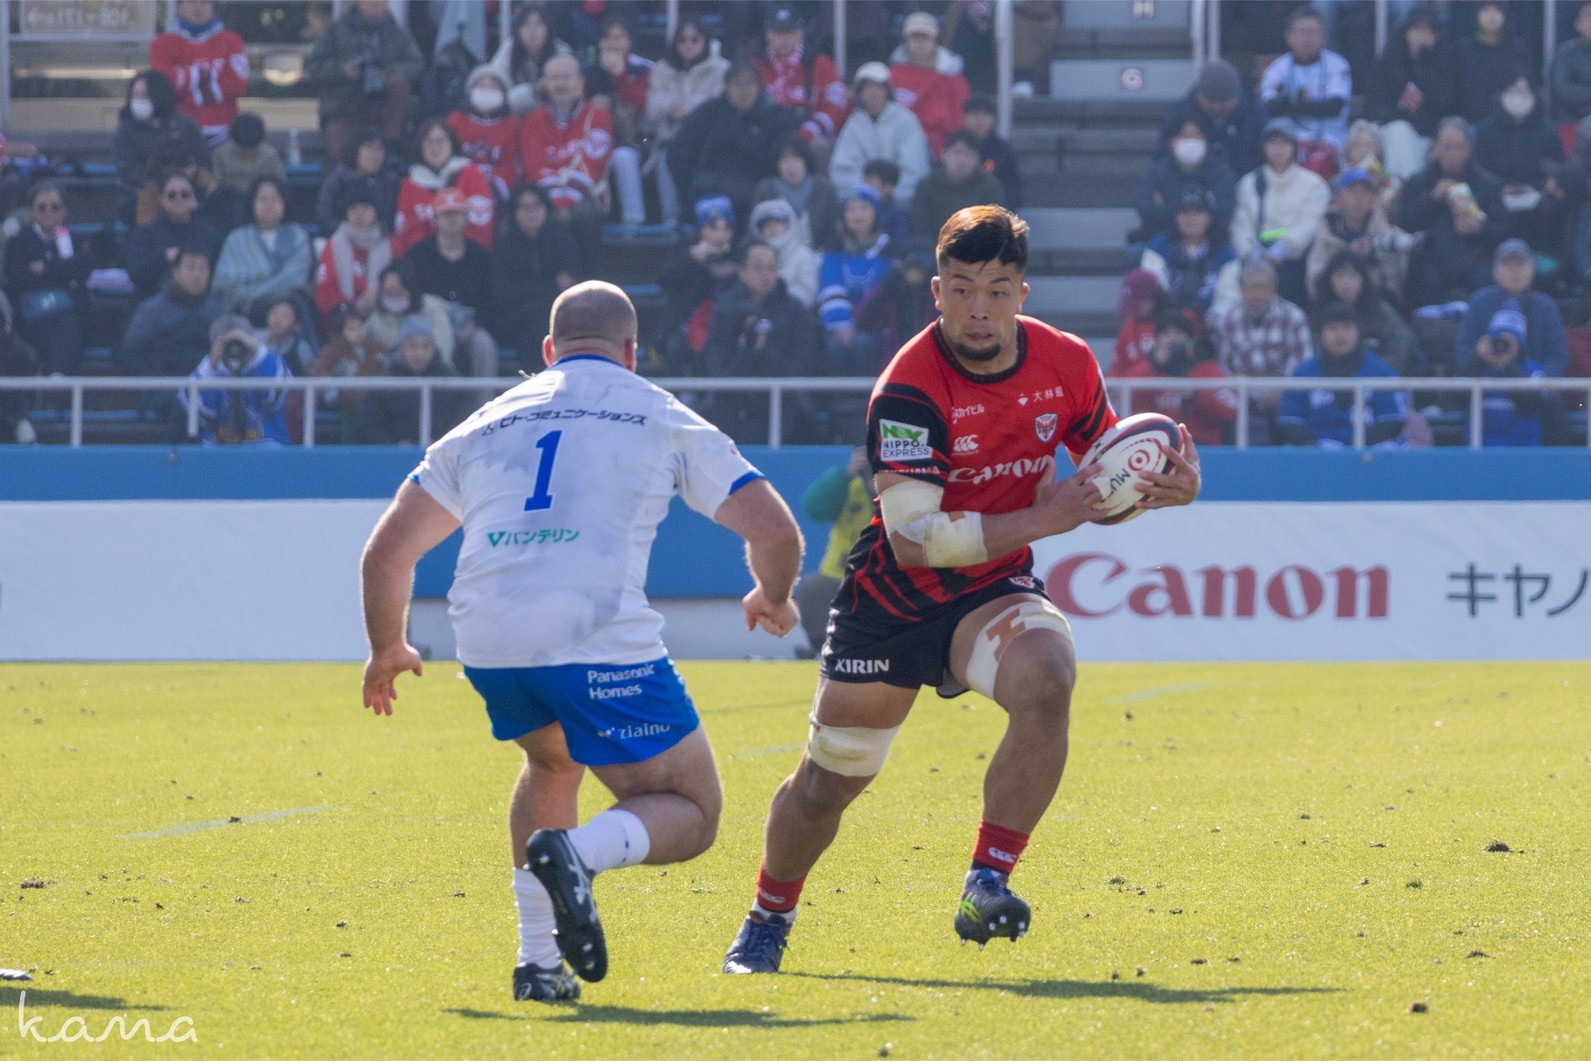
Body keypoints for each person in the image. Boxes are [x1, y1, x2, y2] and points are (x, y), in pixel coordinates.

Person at [720, 205, 1201, 976]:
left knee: (1047, 676)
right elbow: (914, 541)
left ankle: (987, 881)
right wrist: (1043, 516)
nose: (979, 308)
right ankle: (767, 917)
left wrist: (1160, 489)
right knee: (828, 781)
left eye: (997, 289)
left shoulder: (1068, 362)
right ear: (936, 291)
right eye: (962, 288)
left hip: (991, 585)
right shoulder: (907, 388)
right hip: (892, 598)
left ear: (1022, 294)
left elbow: (1100, 483)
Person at [358, 280, 804, 1002]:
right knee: (692, 810)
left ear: (547, 351)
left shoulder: (484, 421)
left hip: (489, 640)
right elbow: (776, 531)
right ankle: (579, 853)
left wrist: (387, 647)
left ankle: (538, 963)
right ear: (631, 352)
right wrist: (773, 597)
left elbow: (386, 554)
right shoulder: (659, 411)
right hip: (592, 636)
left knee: (552, 761)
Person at [702, 241, 823, 443]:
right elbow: (716, 366)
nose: (766, 275)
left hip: (784, 401)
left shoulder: (795, 310)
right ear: (742, 272)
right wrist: (746, 352)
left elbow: (802, 365)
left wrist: (764, 350)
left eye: (771, 268)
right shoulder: (725, 310)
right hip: (734, 401)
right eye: (758, 268)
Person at [1394, 116, 1507, 307]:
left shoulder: (1488, 184)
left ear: (1469, 148)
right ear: (1434, 147)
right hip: (1432, 263)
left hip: (1475, 259)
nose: (1453, 154)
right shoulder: (1417, 182)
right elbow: (1405, 223)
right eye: (1447, 147)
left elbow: (1503, 228)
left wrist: (1480, 228)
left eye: (1459, 147)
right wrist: (1432, 199)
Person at [669, 63, 797, 229]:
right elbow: (678, 152)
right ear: (727, 87)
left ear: (759, 87)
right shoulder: (707, 113)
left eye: (750, 84)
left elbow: (783, 156)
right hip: (709, 192)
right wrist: (690, 187)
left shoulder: (775, 118)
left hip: (755, 194)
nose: (744, 91)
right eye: (737, 84)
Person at [305, 0, 424, 168]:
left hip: (382, 107)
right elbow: (313, 67)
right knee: (340, 159)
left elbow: (416, 64)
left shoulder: (398, 32)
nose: (375, 3)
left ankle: (392, 148)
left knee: (399, 84)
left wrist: (387, 73)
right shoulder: (335, 31)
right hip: (344, 107)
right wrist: (343, 70)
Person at [1206, 259, 1311, 443]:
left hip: (1285, 398)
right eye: (1252, 287)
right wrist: (1242, 393)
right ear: (1241, 289)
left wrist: (1281, 393)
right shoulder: (1227, 320)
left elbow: (1302, 364)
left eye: (1264, 287)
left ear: (1274, 288)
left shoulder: (1294, 317)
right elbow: (1223, 368)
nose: (1258, 293)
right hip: (1241, 399)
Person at [1276, 302, 1407, 447]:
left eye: (1347, 327)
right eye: (1332, 328)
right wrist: (1312, 445)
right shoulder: (1304, 372)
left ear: (1359, 332)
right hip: (1319, 451)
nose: (1340, 335)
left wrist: (1354, 446)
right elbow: (1290, 420)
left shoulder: (1380, 371)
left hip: (1369, 451)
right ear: (1321, 334)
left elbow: (1392, 420)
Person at [517, 55, 613, 248]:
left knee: (583, 215)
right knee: (536, 213)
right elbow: (535, 166)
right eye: (554, 78)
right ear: (545, 84)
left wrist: (566, 201)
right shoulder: (531, 121)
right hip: (547, 194)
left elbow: (592, 165)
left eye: (567, 77)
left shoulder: (598, 117)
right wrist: (557, 201)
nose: (560, 84)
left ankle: (587, 268)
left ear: (580, 83)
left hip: (585, 193)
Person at [1231, 120, 1331, 304]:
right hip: (1254, 259)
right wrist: (1252, 253)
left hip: (1295, 261)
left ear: (1294, 147)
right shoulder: (1249, 182)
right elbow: (1241, 224)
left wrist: (1281, 250)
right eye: (1273, 142)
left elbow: (1309, 223)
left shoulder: (1314, 184)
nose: (1278, 149)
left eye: (1284, 142)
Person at [645, 17, 729, 227]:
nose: (688, 45)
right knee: (664, 158)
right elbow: (651, 105)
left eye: (694, 40)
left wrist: (690, 110)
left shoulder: (722, 69)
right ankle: (670, 218)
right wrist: (667, 107)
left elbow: (721, 103)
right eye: (682, 41)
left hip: (707, 142)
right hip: (670, 138)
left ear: (705, 41)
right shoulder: (662, 69)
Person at [1110, 309, 1236, 446]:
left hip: (1201, 448)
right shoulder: (1144, 368)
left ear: (1190, 340)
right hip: (1154, 447)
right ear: (1156, 339)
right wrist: (1154, 365)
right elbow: (1127, 401)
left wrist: (1195, 395)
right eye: (1166, 334)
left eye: (1179, 333)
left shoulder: (1207, 369)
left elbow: (1229, 411)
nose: (1172, 339)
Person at [1473, 75, 1569, 254]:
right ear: (1501, 94)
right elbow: (1478, 170)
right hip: (1497, 197)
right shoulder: (1485, 132)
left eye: (1525, 91)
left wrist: (1540, 186)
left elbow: (1558, 168)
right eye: (1513, 90)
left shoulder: (1548, 131)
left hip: (1537, 196)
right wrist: (1500, 189)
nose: (1519, 96)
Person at [793, 446, 875, 655]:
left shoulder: (898, 491)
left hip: (881, 577)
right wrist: (846, 474)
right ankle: (820, 648)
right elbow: (814, 508)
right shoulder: (848, 487)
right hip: (839, 575)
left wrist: (875, 488)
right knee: (812, 587)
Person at [491, 183, 580, 371]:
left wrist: (532, 289)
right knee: (535, 320)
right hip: (514, 319)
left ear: (546, 209)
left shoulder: (563, 242)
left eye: (536, 206)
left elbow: (572, 286)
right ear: (514, 212)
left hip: (556, 316)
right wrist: (550, 286)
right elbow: (503, 294)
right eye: (524, 207)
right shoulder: (503, 246)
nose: (530, 213)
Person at [3, 182, 89, 376]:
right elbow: (19, 280)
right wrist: (63, 275)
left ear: (64, 211)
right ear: (31, 212)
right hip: (30, 314)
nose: (49, 212)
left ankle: (57, 378)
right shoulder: (19, 242)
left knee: (66, 324)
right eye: (42, 207)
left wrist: (46, 268)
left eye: (55, 207)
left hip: (70, 313)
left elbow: (82, 271)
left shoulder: (76, 240)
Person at [1364, 6, 1458, 180]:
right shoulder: (1388, 61)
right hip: (1395, 131)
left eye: (1427, 31)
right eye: (1416, 29)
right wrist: (1403, 116)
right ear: (1406, 32)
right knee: (1400, 132)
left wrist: (1425, 61)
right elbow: (1372, 106)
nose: (1421, 35)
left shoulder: (1446, 62)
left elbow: (1448, 104)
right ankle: (1405, 189)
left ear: (1436, 36)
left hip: (1432, 134)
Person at [1452, 238, 1569, 378]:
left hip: (1532, 382)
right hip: (1484, 381)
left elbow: (1558, 355)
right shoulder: (1479, 301)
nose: (1515, 271)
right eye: (1508, 264)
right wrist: (1479, 355)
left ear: (1532, 270)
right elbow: (1463, 348)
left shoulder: (1546, 307)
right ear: (1495, 271)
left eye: (1521, 264)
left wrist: (1540, 381)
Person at [1259, 6, 1352, 178]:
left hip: (1331, 139)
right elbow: (1270, 108)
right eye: (1302, 32)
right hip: (1289, 141)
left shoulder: (1337, 65)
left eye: (1313, 32)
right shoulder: (1276, 69)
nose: (1307, 38)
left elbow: (1334, 107)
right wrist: (1301, 102)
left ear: (1323, 36)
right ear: (1289, 36)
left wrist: (1291, 102)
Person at [1304, 166, 1414, 306]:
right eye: (1351, 191)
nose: (1358, 197)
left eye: (1365, 191)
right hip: (1334, 307)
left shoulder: (1392, 236)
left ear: (1373, 199)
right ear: (1337, 199)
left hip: (1379, 306)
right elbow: (1314, 283)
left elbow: (1398, 284)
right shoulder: (1324, 236)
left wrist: (1373, 257)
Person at [112, 71, 209, 226]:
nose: (139, 100)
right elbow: (128, 170)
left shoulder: (186, 126)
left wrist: (184, 179)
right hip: (140, 195)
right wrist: (162, 185)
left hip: (188, 190)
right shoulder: (125, 131)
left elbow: (202, 158)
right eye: (135, 95)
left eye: (144, 95)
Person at [818, 185, 897, 376]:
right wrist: (841, 324)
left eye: (864, 207)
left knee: (863, 344)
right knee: (836, 345)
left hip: (876, 324)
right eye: (851, 209)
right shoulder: (833, 248)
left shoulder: (889, 249)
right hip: (840, 324)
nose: (857, 214)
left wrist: (860, 324)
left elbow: (886, 292)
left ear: (875, 213)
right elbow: (830, 286)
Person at [354, 315, 469, 444]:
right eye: (413, 346)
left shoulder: (450, 381)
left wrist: (442, 443)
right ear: (402, 348)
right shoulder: (385, 381)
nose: (419, 353)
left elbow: (463, 421)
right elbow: (370, 426)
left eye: (425, 346)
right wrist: (394, 446)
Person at [656, 196, 739, 374]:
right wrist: (690, 259)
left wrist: (732, 273)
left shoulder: (739, 254)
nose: (720, 235)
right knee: (675, 347)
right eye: (713, 227)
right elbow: (664, 280)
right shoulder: (685, 250)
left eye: (726, 228)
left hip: (725, 324)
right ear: (701, 229)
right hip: (685, 323)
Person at [753, 7, 848, 161]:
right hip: (768, 132)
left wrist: (811, 129)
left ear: (800, 33)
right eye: (778, 33)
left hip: (810, 133)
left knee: (820, 147)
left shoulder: (821, 63)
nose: (784, 39)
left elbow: (838, 104)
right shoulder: (756, 66)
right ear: (768, 34)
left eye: (789, 32)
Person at [149, 0, 249, 144]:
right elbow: (162, 88)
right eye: (192, 2)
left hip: (224, 133)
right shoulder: (161, 43)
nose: (198, 7)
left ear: (213, 6)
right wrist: (208, 80)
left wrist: (184, 81)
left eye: (204, 2)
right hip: (177, 134)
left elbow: (237, 86)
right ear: (179, 7)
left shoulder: (232, 41)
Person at [830, 64, 929, 208]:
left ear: (887, 90)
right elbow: (842, 171)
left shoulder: (906, 121)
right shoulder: (853, 124)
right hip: (861, 205)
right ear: (859, 92)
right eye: (867, 87)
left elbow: (915, 168)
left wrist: (888, 192)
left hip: (901, 205)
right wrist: (868, 193)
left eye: (878, 87)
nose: (873, 92)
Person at [213, 175, 314, 318]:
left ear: (284, 202)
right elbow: (223, 282)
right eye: (263, 199)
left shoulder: (298, 236)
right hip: (244, 309)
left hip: (288, 306)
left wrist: (257, 291)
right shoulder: (236, 239)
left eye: (275, 198)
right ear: (252, 203)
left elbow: (296, 276)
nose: (269, 204)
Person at [182, 313, 291, 444]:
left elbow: (273, 398)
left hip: (267, 449)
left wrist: (256, 350)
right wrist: (211, 366)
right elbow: (202, 413)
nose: (234, 350)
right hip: (217, 451)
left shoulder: (268, 365)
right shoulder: (209, 371)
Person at [393, 118, 496, 257]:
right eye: (428, 142)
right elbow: (407, 234)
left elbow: (480, 227)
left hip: (468, 258)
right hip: (425, 261)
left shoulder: (471, 175)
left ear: (452, 143)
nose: (434, 147)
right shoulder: (410, 183)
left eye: (440, 140)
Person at [586, 17, 653, 227]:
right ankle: (593, 221)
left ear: (630, 41)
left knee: (623, 157)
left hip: (637, 137)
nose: (613, 43)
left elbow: (643, 104)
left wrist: (620, 75)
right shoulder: (588, 69)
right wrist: (591, 106)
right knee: (593, 153)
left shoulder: (644, 68)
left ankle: (633, 222)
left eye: (619, 37)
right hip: (594, 137)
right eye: (608, 37)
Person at [1458, 299, 1552, 446]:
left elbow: (1531, 405)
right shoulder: (1477, 369)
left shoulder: (1534, 371)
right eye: (1499, 341)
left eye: (1509, 342)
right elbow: (1458, 399)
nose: (1502, 346)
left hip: (1523, 447)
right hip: (1481, 447)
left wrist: (1508, 367)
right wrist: (1477, 360)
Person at [119, 247, 224, 377]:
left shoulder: (218, 312)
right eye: (190, 268)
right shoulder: (151, 311)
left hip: (209, 385)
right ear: (176, 272)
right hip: (164, 384)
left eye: (202, 269)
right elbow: (131, 353)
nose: (197, 275)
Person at [1139, 189, 1240, 317]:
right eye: (1185, 212)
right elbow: (1154, 286)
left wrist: (1214, 318)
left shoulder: (1224, 252)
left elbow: (1228, 297)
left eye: (1199, 212)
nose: (1191, 218)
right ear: (1175, 216)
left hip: (1211, 323)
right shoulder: (1159, 245)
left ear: (1209, 217)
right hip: (1167, 320)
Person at [1310, 250, 1414, 375]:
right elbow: (1311, 349)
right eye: (1340, 275)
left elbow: (1398, 349)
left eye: (1352, 275)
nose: (1346, 282)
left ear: (1363, 279)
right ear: (1329, 279)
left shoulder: (1383, 313)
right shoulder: (1318, 314)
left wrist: (1374, 374)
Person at [1135, 119, 1238, 241]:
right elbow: (1146, 211)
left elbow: (1224, 213)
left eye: (1197, 135)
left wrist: (1166, 209)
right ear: (1171, 141)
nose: (1191, 140)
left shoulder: (1221, 173)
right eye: (1184, 135)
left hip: (1213, 242)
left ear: (1206, 140)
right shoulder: (1155, 173)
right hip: (1162, 240)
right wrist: (1201, 212)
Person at [125, 172, 222, 299]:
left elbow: (218, 273)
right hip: (155, 299)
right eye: (171, 195)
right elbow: (135, 273)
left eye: (185, 194)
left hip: (201, 300)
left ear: (194, 198)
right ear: (162, 200)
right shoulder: (145, 234)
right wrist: (164, 258)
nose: (178, 199)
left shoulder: (209, 234)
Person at [1158, 59, 1264, 174]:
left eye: (1223, 102)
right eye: (1211, 101)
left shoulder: (1255, 114)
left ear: (1236, 97)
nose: (1216, 107)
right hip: (1195, 182)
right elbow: (1162, 155)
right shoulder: (1180, 115)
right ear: (1200, 95)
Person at [889, 12, 970, 159]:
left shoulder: (952, 78)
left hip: (938, 146)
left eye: (925, 37)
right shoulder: (892, 75)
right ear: (906, 40)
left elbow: (958, 118)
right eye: (915, 37)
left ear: (934, 39)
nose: (920, 42)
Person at [403, 187, 493, 319]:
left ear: (466, 217)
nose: (452, 219)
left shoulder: (481, 257)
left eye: (457, 213)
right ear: (435, 219)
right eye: (446, 214)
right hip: (429, 323)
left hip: (472, 324)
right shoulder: (417, 255)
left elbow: (489, 300)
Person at [909, 129, 1007, 245]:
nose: (962, 159)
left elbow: (996, 227)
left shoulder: (990, 186)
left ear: (977, 159)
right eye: (957, 152)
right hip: (935, 250)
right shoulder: (926, 186)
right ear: (944, 154)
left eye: (970, 154)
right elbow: (921, 230)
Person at [314, 177, 391, 323]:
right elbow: (324, 295)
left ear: (376, 211)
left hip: (384, 319)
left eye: (365, 207)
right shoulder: (333, 246)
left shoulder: (391, 246)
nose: (359, 214)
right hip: (344, 322)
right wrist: (352, 308)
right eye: (353, 208)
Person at [753, 136, 840, 252]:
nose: (791, 166)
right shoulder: (766, 190)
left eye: (796, 159)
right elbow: (755, 230)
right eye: (784, 160)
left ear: (805, 161)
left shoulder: (823, 188)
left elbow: (834, 229)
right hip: (775, 256)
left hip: (819, 255)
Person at [364, 260, 457, 368]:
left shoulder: (432, 310)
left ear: (411, 290)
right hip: (394, 375)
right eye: (388, 292)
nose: (393, 297)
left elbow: (443, 351)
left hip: (433, 373)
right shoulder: (377, 319)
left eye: (398, 292)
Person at [309, 303, 385, 434]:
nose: (358, 332)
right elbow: (322, 373)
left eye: (360, 327)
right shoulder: (331, 352)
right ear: (340, 332)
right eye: (351, 329)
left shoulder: (375, 348)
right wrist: (332, 395)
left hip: (376, 399)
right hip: (346, 402)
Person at [447, 66, 521, 195]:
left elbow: (512, 165)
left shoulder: (513, 125)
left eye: (494, 86)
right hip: (460, 187)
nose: (487, 90)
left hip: (498, 190)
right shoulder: (456, 120)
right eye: (481, 85)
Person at [316, 127, 401, 238]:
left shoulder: (390, 182)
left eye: (379, 149)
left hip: (380, 239)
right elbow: (325, 217)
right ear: (355, 149)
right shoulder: (337, 181)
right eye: (368, 148)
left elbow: (392, 219)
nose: (374, 154)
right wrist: (353, 233)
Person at [1457, 1, 1531, 124]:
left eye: (1497, 10)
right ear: (1477, 15)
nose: (1491, 15)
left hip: (1510, 120)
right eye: (1486, 10)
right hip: (1470, 120)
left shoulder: (1519, 48)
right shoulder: (1462, 49)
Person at [960, 96, 1021, 209]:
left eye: (986, 115)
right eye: (974, 114)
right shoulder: (955, 146)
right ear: (964, 118)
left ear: (994, 119)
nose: (980, 120)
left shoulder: (1003, 150)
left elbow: (1012, 186)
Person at [1112, 267, 1172, 376]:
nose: (1134, 309)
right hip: (1133, 384)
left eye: (1138, 303)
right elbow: (1117, 369)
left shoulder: (1177, 322)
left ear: (1154, 298)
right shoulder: (1127, 327)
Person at [0, 294, 42, 444]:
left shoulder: (17, 349)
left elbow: (29, 365)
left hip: (12, 417)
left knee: (26, 433)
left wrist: (8, 337)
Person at [211, 113, 285, 195]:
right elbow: (214, 186)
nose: (247, 153)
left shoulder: (270, 156)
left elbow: (280, 185)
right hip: (229, 199)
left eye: (251, 150)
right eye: (243, 149)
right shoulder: (220, 155)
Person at [1550, 1, 1591, 135]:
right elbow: (1562, 92)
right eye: (1589, 16)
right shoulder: (1566, 53)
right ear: (1578, 24)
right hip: (1572, 122)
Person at [255, 292, 315, 377]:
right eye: (274, 313)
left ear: (296, 326)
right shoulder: (255, 340)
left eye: (284, 316)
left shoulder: (301, 347)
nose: (277, 319)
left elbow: (312, 376)